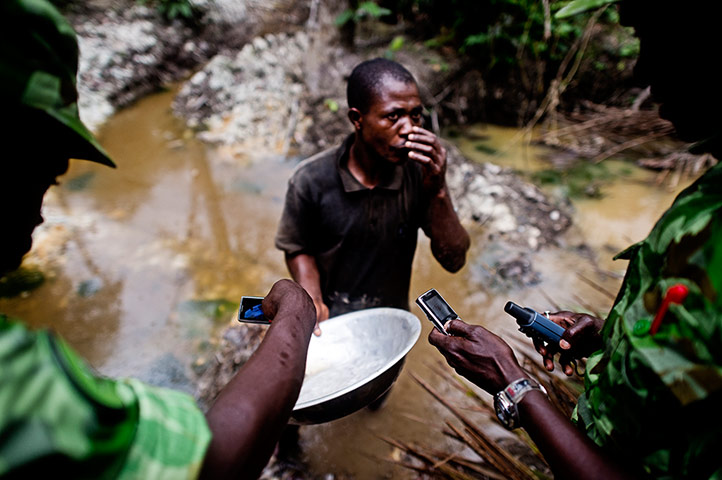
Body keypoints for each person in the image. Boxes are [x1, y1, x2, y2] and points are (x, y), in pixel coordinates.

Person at [0, 1, 317, 478]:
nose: (43, 208)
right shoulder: (16, 375)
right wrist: (296, 314)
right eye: (40, 166)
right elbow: (211, 461)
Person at [429, 1, 721, 479]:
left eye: (657, 42)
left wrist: (513, 382)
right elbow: (697, 362)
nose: (642, 70)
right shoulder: (708, 196)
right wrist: (610, 335)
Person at [275, 58, 471, 335]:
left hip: (390, 320)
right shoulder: (310, 180)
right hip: (331, 320)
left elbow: (454, 261)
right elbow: (297, 246)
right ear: (357, 119)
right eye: (393, 116)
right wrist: (313, 299)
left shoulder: (418, 174)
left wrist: (437, 189)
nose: (409, 128)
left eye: (415, 115)